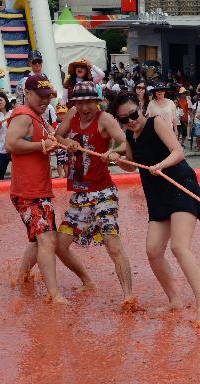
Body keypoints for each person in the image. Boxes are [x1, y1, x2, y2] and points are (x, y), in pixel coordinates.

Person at [109, 93, 200, 327]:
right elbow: (131, 165)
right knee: (153, 250)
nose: (131, 121)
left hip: (180, 185)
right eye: (125, 119)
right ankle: (175, 300)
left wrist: (160, 165)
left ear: (141, 108)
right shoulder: (130, 136)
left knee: (179, 246)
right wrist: (116, 158)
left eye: (134, 115)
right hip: (156, 194)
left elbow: (178, 152)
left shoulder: (156, 122)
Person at [54, 83, 136, 308]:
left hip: (102, 192)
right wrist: (66, 142)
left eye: (89, 102)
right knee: (60, 245)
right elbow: (56, 136)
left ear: (97, 101)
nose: (84, 107)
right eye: (79, 102)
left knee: (112, 243)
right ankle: (88, 281)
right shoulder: (71, 115)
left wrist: (113, 152)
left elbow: (125, 142)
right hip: (79, 193)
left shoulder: (105, 119)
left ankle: (128, 296)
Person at [4, 74, 66, 304]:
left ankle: (21, 279)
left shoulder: (37, 116)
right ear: (27, 94)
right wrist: (41, 145)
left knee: (37, 239)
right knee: (48, 239)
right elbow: (11, 143)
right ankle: (54, 293)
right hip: (29, 191)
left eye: (47, 97)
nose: (45, 101)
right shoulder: (23, 115)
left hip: (36, 189)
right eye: (40, 96)